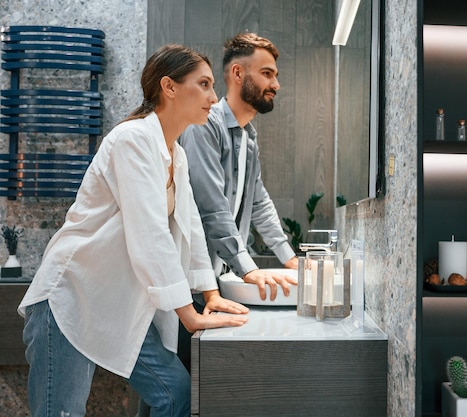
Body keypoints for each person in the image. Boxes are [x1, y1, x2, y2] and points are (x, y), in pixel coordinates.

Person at [17, 44, 250, 417]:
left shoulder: (177, 153)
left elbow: (189, 224)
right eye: (204, 84)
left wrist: (210, 292)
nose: (213, 96)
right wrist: (190, 315)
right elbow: (150, 233)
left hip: (119, 304)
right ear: (169, 87)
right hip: (71, 297)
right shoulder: (132, 140)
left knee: (175, 395)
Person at [178, 32, 298, 303]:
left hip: (216, 279)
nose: (276, 84)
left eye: (275, 75)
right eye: (267, 73)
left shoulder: (248, 139)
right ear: (237, 73)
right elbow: (211, 206)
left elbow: (258, 203)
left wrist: (289, 258)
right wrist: (248, 269)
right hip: (190, 281)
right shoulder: (205, 126)